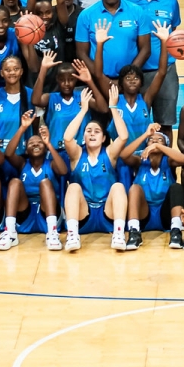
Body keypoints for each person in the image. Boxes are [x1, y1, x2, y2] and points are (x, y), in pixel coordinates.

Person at [62, 86, 132, 251]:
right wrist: (83, 110)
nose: (92, 134)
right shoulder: (78, 154)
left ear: (104, 138)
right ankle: (72, 235)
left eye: (96, 131)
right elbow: (67, 137)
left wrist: (113, 107)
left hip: (108, 213)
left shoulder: (109, 154)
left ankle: (119, 233)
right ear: (84, 136)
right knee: (72, 187)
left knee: (118, 186)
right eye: (88, 131)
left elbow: (123, 137)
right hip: (83, 213)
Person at [122, 0, 182, 135]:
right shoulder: (125, 2)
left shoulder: (170, 0)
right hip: (135, 72)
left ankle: (166, 163)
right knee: (133, 122)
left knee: (165, 123)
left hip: (166, 70)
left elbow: (174, 29)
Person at [94, 21, 171, 156]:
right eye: (128, 78)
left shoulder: (145, 100)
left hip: (143, 156)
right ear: (121, 84)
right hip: (120, 157)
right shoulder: (115, 98)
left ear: (141, 83)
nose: (132, 81)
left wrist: (164, 42)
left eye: (136, 78)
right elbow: (99, 74)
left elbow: (162, 73)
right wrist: (99, 45)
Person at [0, 112, 69, 251]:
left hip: (47, 210)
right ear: (26, 148)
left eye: (39, 143)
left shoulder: (51, 163)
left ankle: (52, 232)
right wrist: (22, 128)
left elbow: (63, 171)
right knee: (15, 182)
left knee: (45, 182)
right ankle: (10, 231)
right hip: (25, 209)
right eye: (31, 143)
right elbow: (8, 153)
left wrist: (49, 143)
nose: (36, 144)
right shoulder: (22, 164)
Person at [76, 0, 151, 86]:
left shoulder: (137, 12)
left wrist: (128, 77)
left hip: (130, 82)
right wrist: (101, 78)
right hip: (98, 81)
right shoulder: (86, 15)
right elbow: (81, 53)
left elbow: (145, 50)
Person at [122, 126, 184, 250]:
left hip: (165, 214)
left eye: (160, 139)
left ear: (166, 146)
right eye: (151, 139)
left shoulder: (168, 161)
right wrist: (145, 135)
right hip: (144, 213)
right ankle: (134, 231)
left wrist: (158, 147)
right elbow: (124, 155)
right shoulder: (140, 160)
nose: (155, 141)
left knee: (176, 187)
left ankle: (176, 231)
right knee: (134, 188)